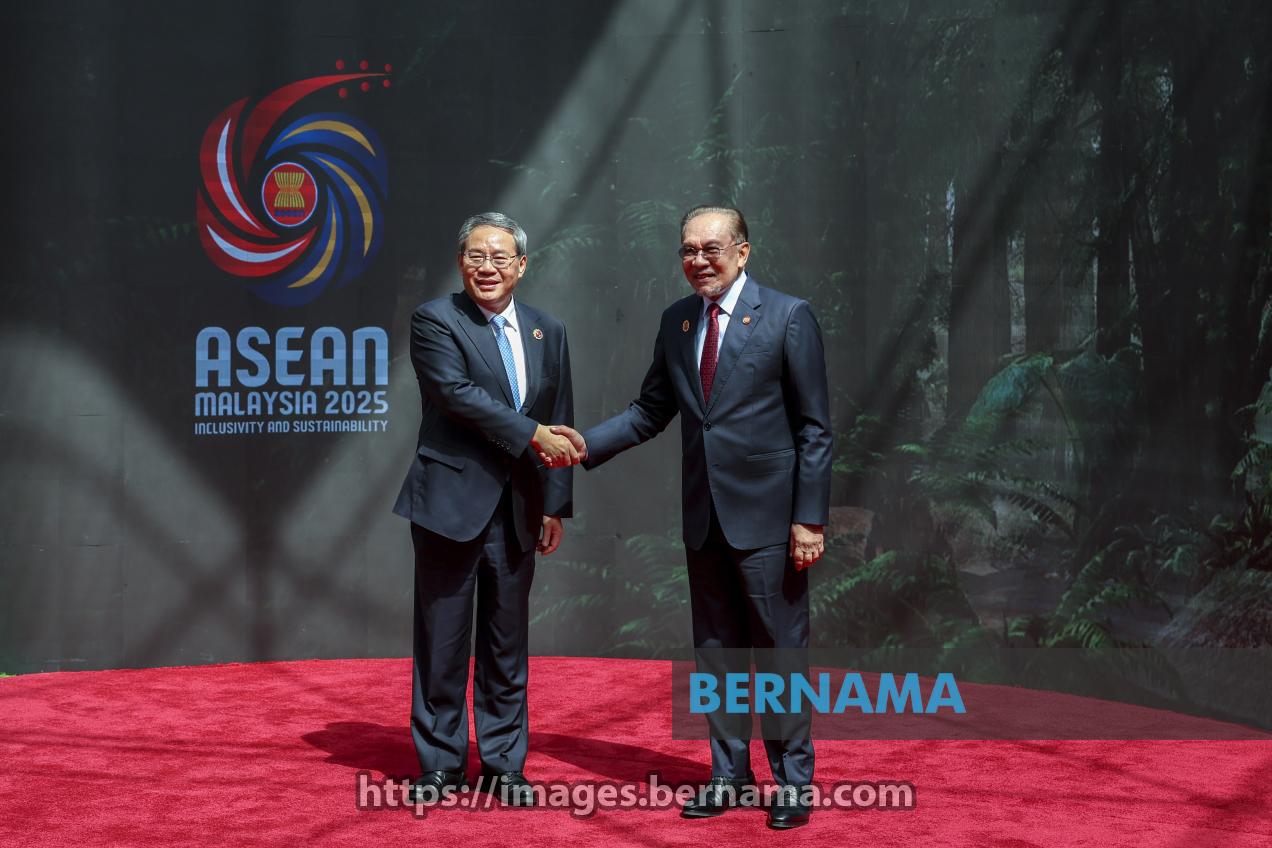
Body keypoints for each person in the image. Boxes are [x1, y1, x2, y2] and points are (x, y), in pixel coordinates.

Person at [554, 205, 831, 830]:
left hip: (772, 522)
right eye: (687, 250)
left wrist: (809, 519)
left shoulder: (788, 316)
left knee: (780, 654)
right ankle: (728, 776)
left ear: (743, 251)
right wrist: (586, 444)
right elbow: (649, 410)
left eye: (711, 248)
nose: (698, 260)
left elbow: (815, 428)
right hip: (704, 520)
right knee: (717, 655)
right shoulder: (678, 321)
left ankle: (793, 783)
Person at [393, 211, 580, 806]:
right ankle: (440, 765)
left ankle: (504, 766)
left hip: (519, 510)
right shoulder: (436, 320)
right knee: (442, 642)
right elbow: (456, 395)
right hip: (449, 505)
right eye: (476, 256)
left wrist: (554, 503)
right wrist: (531, 435)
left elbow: (559, 414)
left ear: (521, 266)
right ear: (460, 263)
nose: (487, 267)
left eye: (500, 257)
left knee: (506, 646)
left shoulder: (548, 330)